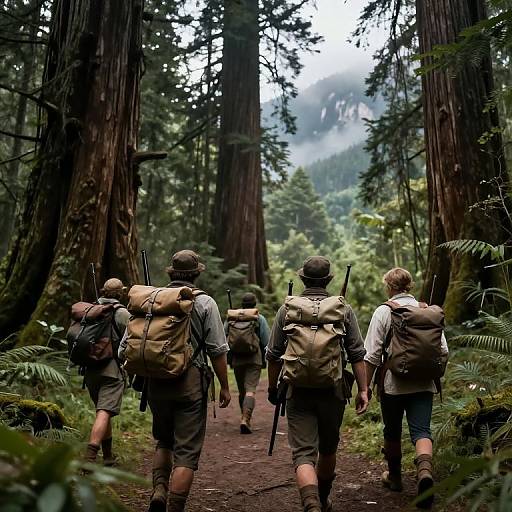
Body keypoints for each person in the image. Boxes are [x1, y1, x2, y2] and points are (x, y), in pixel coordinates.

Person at [130, 250, 232, 512]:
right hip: (190, 384)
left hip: (155, 383)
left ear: (171, 273)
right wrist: (224, 386)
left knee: (164, 441)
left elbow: (126, 348)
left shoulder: (153, 300)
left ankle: (159, 490)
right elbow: (217, 349)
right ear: (197, 273)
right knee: (186, 452)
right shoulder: (206, 303)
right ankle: (175, 506)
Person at [267, 256, 369, 512]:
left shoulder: (287, 309)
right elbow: (357, 353)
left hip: (297, 390)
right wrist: (364, 390)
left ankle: (310, 504)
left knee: (303, 454)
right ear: (328, 280)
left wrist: (272, 388)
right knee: (328, 449)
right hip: (332, 391)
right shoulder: (342, 309)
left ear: (302, 279)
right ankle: (322, 499)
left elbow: (273, 354)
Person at [364, 267, 449, 509]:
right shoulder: (428, 311)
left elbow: (371, 355)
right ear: (409, 286)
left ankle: (395, 478)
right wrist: (431, 372)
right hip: (424, 383)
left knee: (391, 431)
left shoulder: (384, 311)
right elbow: (443, 351)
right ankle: (424, 473)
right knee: (422, 431)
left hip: (393, 384)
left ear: (389, 286)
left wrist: (366, 388)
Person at [84, 278, 129, 466]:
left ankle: (108, 456)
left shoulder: (90, 310)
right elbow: (132, 338)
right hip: (111, 370)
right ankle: (90, 456)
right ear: (120, 293)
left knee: (103, 410)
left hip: (90, 369)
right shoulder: (121, 313)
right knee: (104, 411)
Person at [226, 292, 270, 434]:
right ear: (255, 304)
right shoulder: (259, 318)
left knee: (241, 391)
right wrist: (266, 358)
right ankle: (246, 419)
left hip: (237, 359)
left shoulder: (232, 318)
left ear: (242, 304)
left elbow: (223, 337)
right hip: (254, 358)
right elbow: (266, 341)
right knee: (250, 390)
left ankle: (244, 417)